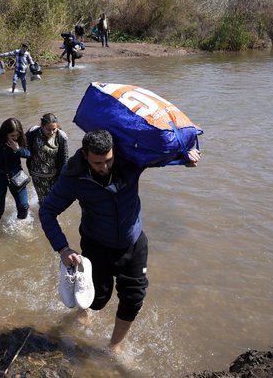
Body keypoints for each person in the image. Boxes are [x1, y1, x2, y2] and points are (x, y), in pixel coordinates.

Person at [39, 130, 201, 351]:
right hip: (96, 245)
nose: (104, 167)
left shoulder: (130, 162)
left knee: (133, 299)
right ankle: (83, 310)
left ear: (114, 152)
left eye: (108, 160)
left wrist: (185, 156)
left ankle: (114, 345)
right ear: (86, 156)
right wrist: (63, 248)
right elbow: (47, 211)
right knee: (97, 300)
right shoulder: (73, 177)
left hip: (133, 243)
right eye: (97, 163)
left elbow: (158, 155)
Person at [25, 113, 69, 205]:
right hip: (38, 175)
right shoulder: (33, 133)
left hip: (55, 175)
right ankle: (43, 217)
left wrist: (64, 175)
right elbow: (23, 144)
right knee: (44, 202)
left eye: (54, 129)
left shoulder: (61, 137)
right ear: (42, 126)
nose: (51, 132)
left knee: (55, 200)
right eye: (48, 129)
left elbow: (64, 157)